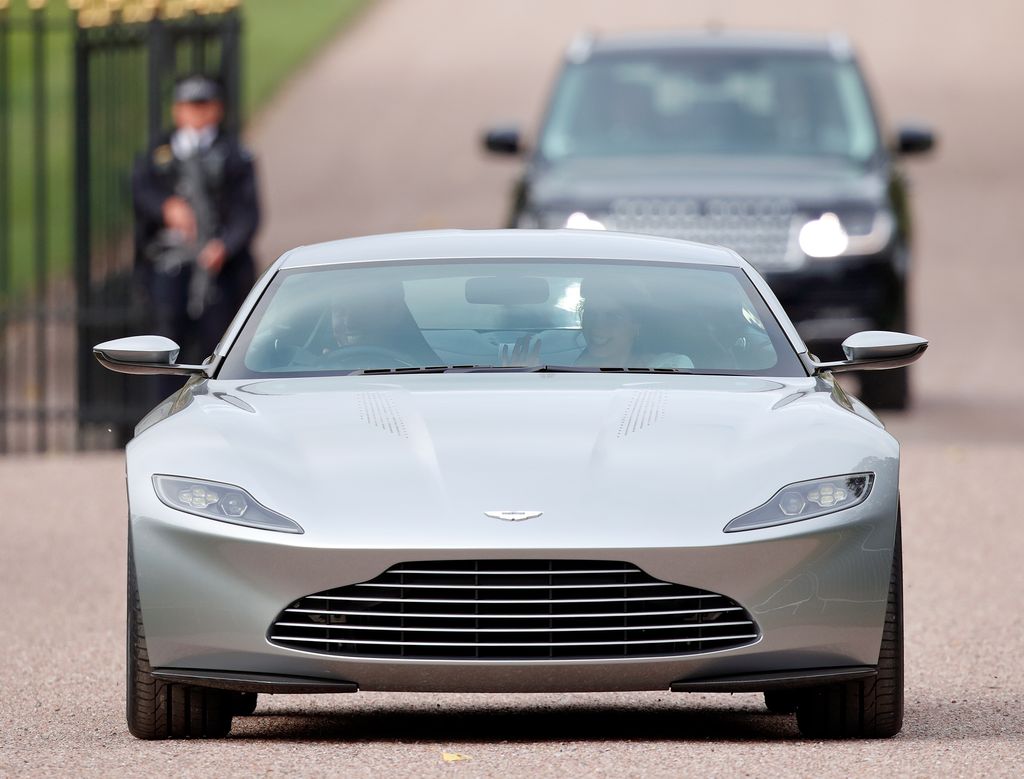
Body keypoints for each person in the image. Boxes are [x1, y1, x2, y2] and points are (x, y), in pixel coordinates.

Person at [132, 74, 260, 372]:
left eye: (204, 105)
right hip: (170, 266)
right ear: (177, 110)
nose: (197, 113)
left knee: (216, 352)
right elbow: (141, 190)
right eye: (190, 106)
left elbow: (248, 213)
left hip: (219, 269)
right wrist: (167, 207)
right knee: (164, 351)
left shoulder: (234, 155)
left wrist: (224, 246)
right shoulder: (158, 152)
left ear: (217, 109)